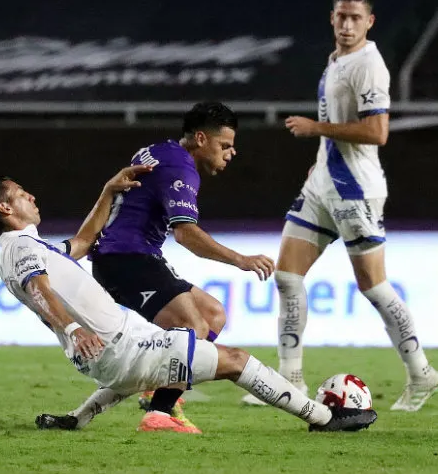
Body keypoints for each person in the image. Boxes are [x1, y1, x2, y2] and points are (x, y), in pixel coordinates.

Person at [0, 167, 377, 434]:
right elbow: (39, 290)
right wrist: (72, 327)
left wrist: (108, 190)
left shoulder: (34, 248)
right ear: (6, 207)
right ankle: (324, 418)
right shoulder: (18, 249)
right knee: (233, 359)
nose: (31, 196)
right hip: (116, 343)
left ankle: (77, 419)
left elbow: (84, 241)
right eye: (21, 193)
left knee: (136, 375)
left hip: (117, 348)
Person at [241, 0, 438, 412]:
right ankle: (290, 377)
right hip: (323, 185)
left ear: (369, 22)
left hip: (356, 190)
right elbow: (340, 122)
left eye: (356, 17)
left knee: (373, 285)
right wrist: (320, 159)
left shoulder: (369, 66)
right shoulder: (336, 59)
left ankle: (421, 372)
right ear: (332, 18)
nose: (348, 24)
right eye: (341, 16)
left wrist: (316, 131)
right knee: (286, 276)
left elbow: (377, 132)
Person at [46, 102, 275, 432]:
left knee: (213, 315)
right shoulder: (180, 168)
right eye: (225, 145)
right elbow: (185, 234)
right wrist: (241, 259)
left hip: (132, 257)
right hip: (126, 260)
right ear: (200, 138)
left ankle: (163, 386)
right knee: (191, 324)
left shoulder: (160, 151)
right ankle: (160, 413)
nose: (231, 153)